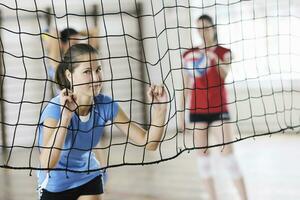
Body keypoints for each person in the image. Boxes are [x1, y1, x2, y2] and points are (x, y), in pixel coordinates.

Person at [37, 43, 168, 200]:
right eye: (87, 71)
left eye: (98, 69)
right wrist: (65, 118)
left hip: (88, 177)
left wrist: (160, 110)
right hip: (54, 184)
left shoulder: (105, 105)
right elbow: (46, 164)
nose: (96, 77)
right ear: (69, 75)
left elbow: (149, 143)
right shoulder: (54, 109)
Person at [180, 15, 248, 200]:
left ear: (213, 29)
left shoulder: (224, 52)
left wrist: (212, 57)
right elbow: (186, 85)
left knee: (229, 157)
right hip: (197, 111)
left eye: (206, 28)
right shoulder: (189, 55)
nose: (202, 32)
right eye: (199, 28)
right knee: (203, 161)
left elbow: (225, 75)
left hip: (219, 109)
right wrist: (181, 115)